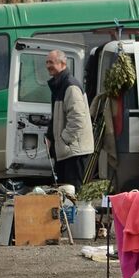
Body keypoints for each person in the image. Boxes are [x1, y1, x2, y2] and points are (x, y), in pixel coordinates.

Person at [45, 49, 93, 189]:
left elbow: (78, 119)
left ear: (63, 63)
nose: (48, 65)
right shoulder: (59, 85)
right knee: (65, 192)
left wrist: (64, 139)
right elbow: (57, 116)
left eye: (51, 62)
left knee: (73, 192)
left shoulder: (70, 86)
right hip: (68, 151)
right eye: (47, 62)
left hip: (74, 151)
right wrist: (50, 136)